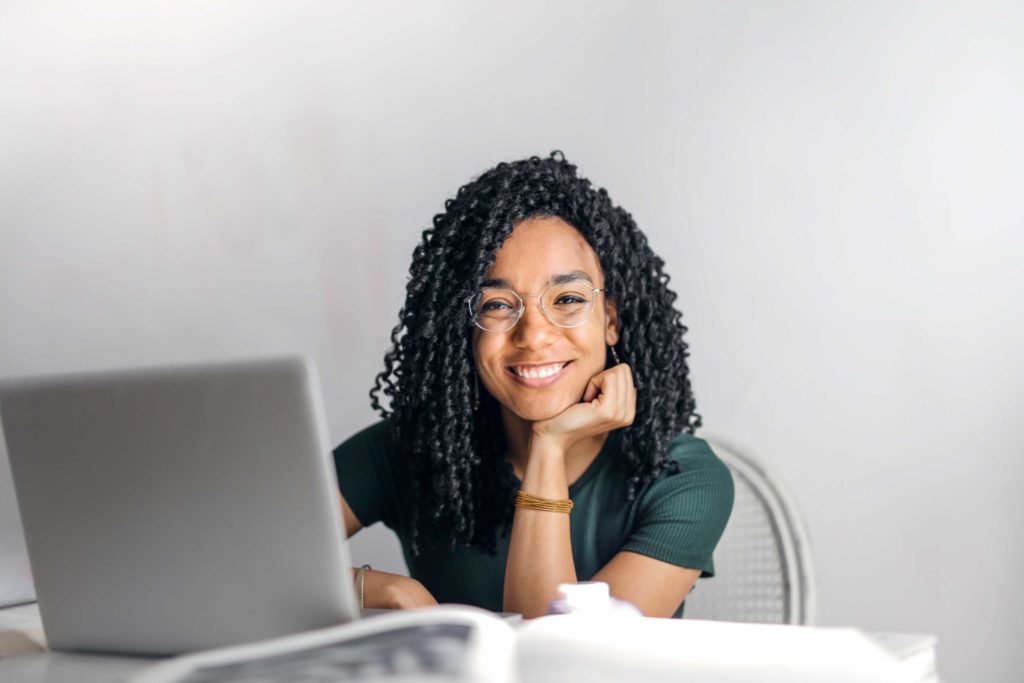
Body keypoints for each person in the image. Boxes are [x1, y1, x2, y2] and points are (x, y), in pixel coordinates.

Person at [334, 151, 734, 619]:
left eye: (566, 299)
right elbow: (238, 561)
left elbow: (561, 663)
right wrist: (385, 590)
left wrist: (549, 445)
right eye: (497, 305)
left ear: (611, 319)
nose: (535, 335)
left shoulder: (681, 478)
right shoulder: (410, 449)